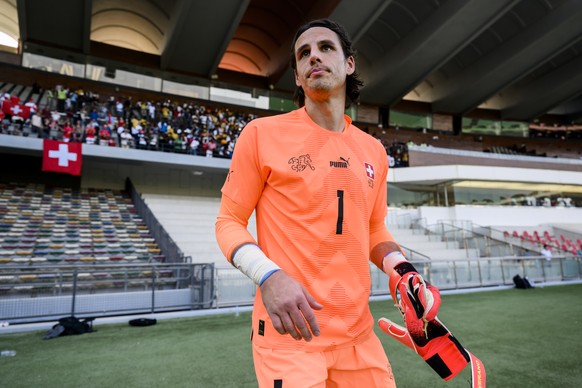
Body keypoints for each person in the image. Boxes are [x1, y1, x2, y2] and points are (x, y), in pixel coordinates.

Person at [215, 19, 440, 387]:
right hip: (290, 338)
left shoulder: (374, 151)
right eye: (303, 54)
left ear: (349, 64)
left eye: (325, 48)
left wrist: (402, 270)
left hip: (358, 337)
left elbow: (373, 228)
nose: (313, 57)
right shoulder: (260, 135)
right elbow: (228, 221)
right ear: (299, 78)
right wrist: (268, 276)